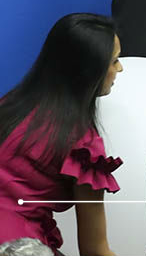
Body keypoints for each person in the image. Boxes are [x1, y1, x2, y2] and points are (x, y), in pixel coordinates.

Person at [0, 13, 123, 255]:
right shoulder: (82, 144)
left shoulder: (10, 108)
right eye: (114, 61)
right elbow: (95, 249)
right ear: (89, 71)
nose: (120, 68)